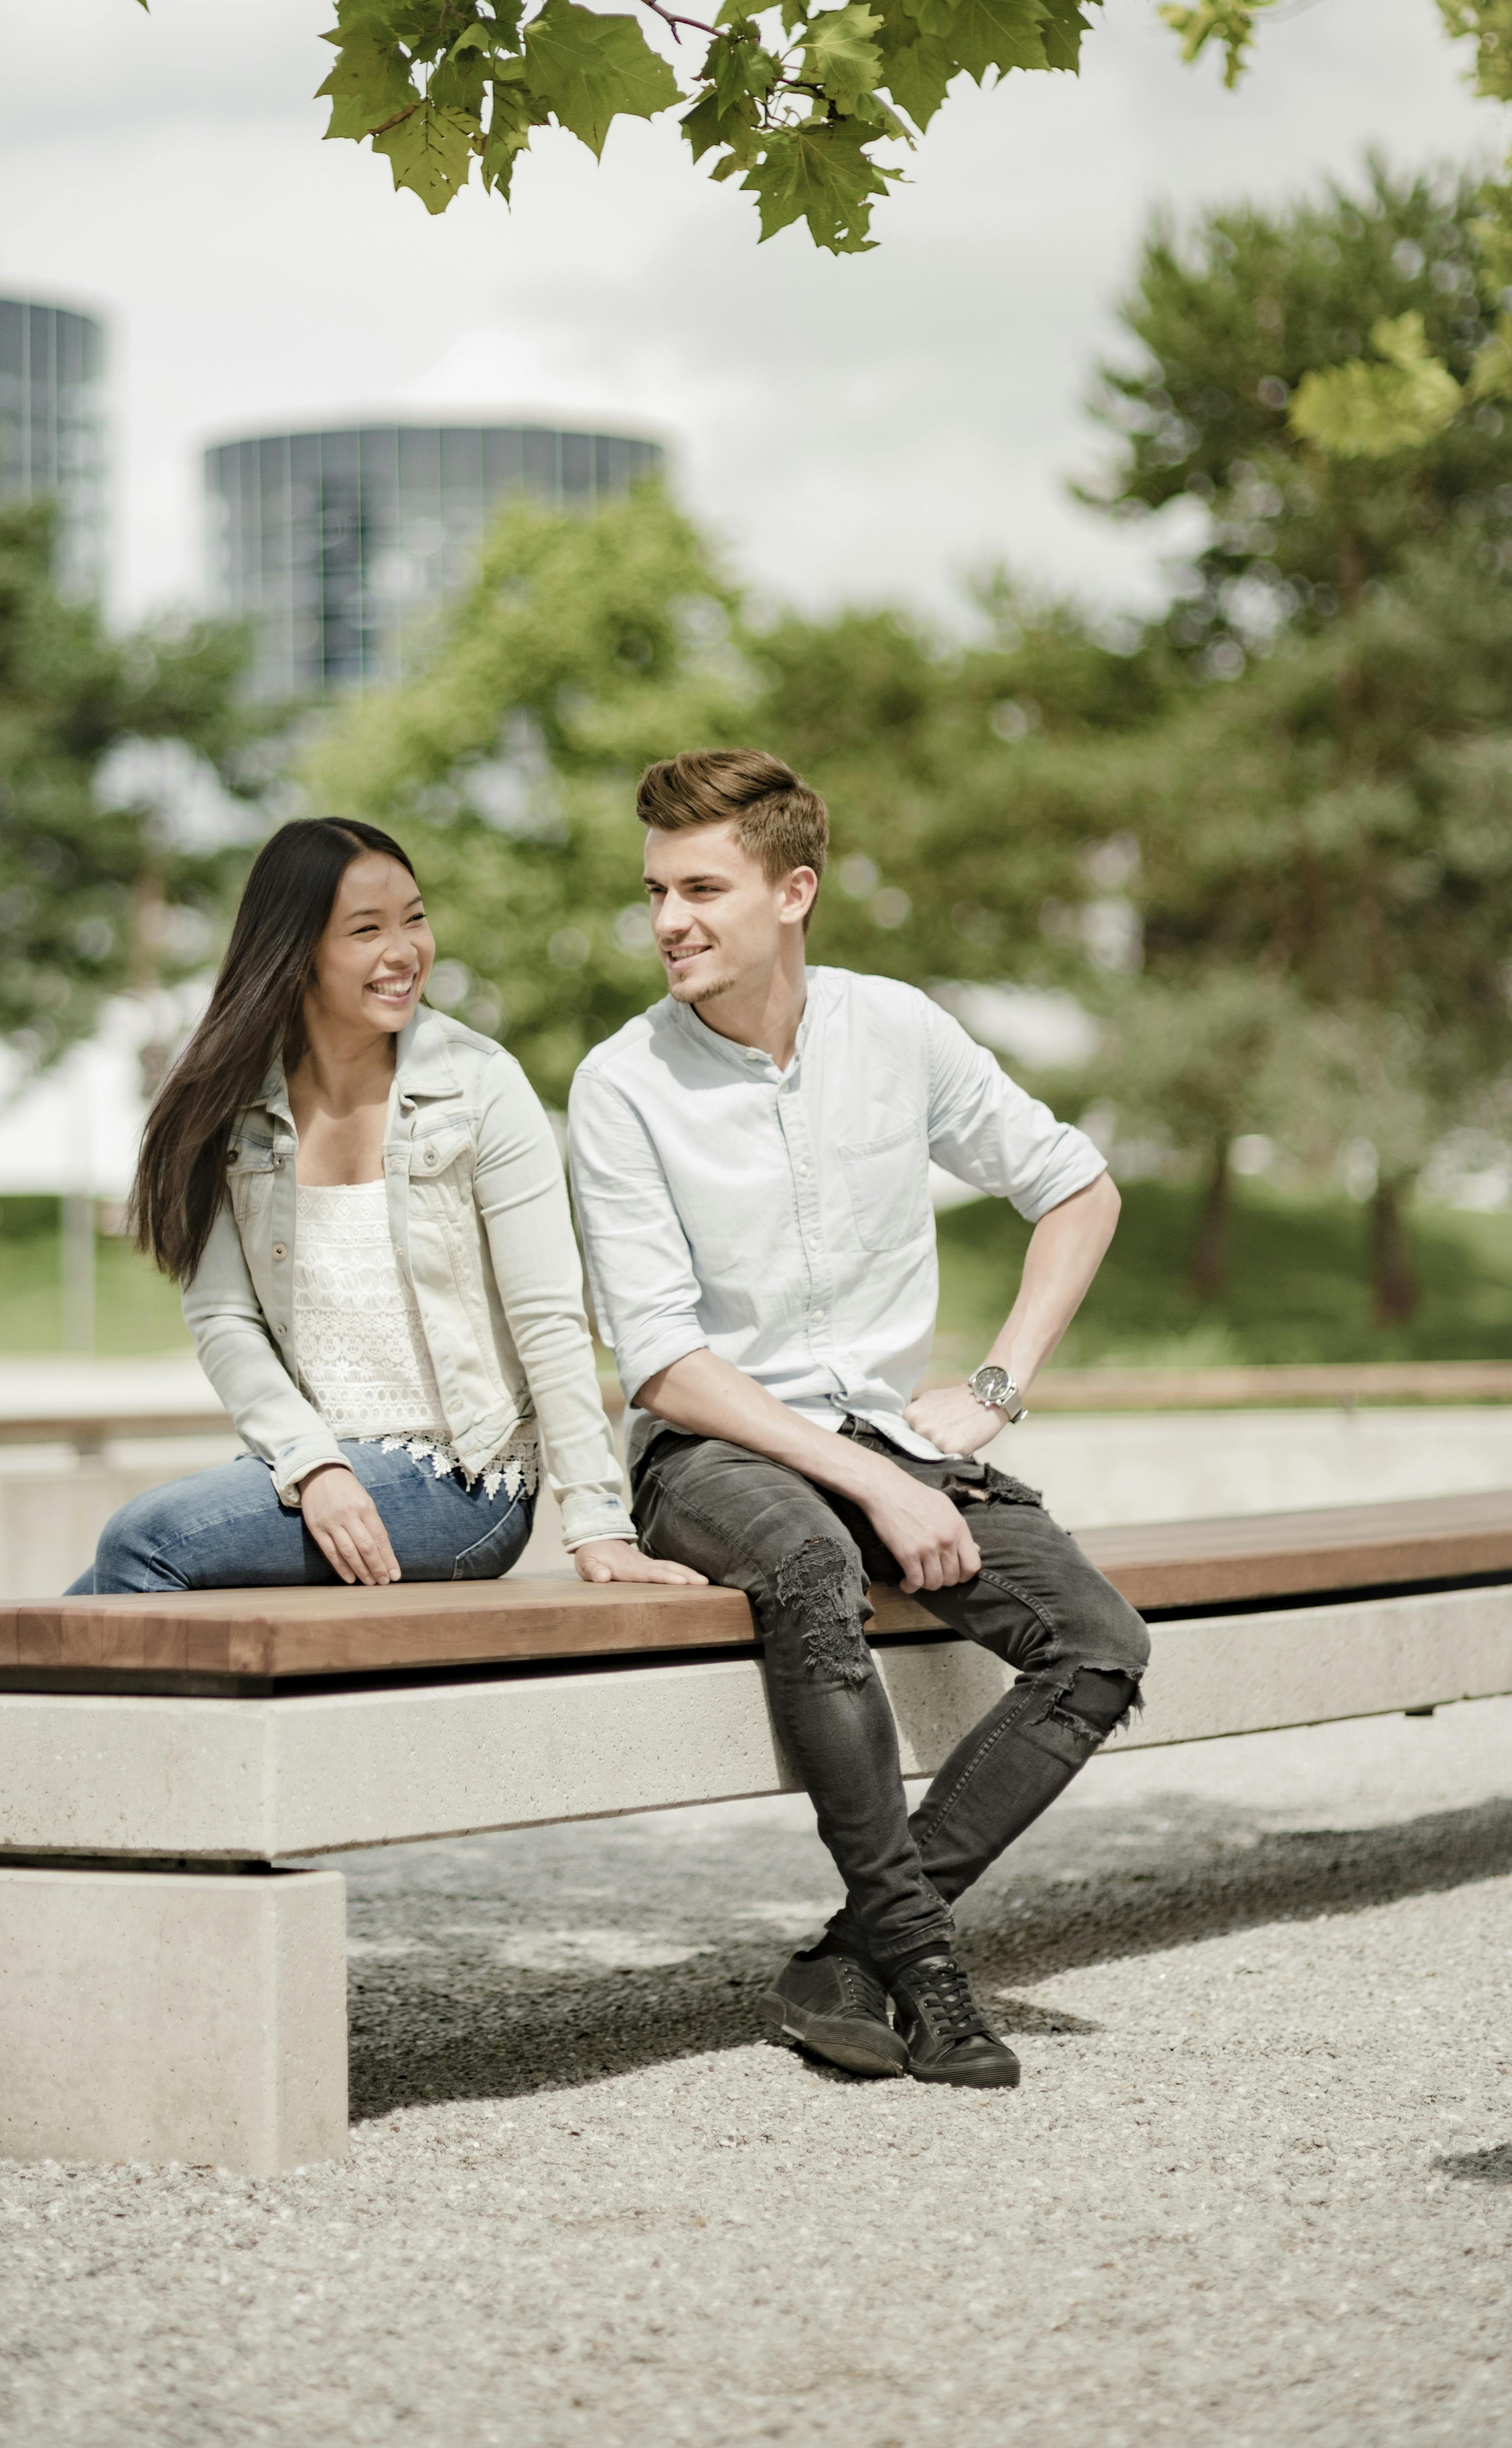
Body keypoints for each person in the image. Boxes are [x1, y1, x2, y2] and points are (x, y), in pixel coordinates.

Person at [567, 749, 1148, 2091]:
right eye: (655, 890)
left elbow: (1081, 1188)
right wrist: (879, 1485)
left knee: (1099, 1647)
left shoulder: (899, 1031)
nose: (669, 920)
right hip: (714, 1454)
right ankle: (930, 1975)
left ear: (795, 891)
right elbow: (662, 1363)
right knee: (816, 1565)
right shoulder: (622, 1084)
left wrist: (995, 1388)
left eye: (702, 887)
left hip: (894, 1438)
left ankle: (853, 1956)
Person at [71, 816, 701, 1597]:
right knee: (81, 1600)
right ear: (295, 951)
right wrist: (315, 1462)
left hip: (465, 1480)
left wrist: (598, 1519)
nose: (404, 952)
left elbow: (549, 1319)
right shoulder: (227, 1107)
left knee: (141, 1541)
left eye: (415, 918)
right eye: (366, 930)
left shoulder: (481, 1087)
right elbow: (225, 1320)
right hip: (315, 1468)